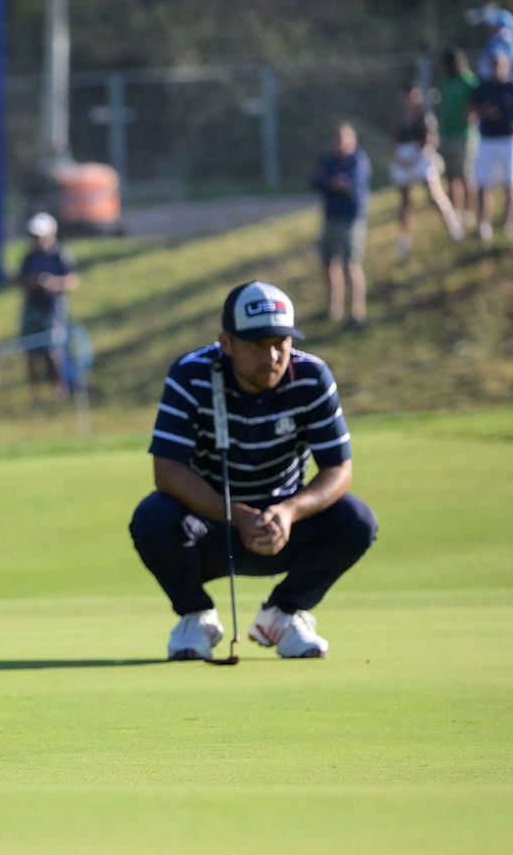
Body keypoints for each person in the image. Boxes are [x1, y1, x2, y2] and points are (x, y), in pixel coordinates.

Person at [130, 281, 377, 660]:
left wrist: (290, 511)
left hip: (284, 524)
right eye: (257, 345)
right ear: (226, 343)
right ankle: (196, 616)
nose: (272, 356)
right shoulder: (191, 374)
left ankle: (283, 614)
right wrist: (237, 515)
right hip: (210, 525)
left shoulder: (311, 376)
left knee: (356, 520)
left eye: (281, 343)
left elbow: (338, 469)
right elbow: (167, 470)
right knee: (152, 518)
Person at [469, 52, 513, 240]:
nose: (496, 68)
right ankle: (484, 225)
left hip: (509, 139)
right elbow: (472, 107)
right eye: (493, 64)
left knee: (511, 184)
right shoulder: (484, 87)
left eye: (499, 64)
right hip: (487, 139)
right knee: (483, 183)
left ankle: (509, 226)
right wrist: (483, 112)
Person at [389, 79, 465, 251]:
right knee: (405, 201)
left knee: (434, 194)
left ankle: (453, 226)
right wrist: (400, 158)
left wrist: (418, 155)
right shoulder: (398, 116)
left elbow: (431, 139)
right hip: (403, 158)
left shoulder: (424, 116)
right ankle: (404, 238)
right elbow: (393, 140)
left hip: (421, 157)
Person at [14, 212, 79, 403]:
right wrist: (33, 282)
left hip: (53, 309)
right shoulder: (29, 257)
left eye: (39, 235)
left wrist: (54, 284)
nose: (36, 239)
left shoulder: (60, 254)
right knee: (31, 353)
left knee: (54, 351)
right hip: (32, 308)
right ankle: (35, 395)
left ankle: (58, 390)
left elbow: (73, 280)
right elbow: (18, 280)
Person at [310, 124, 370, 325]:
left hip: (351, 220)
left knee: (351, 265)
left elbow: (350, 185)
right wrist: (332, 183)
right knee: (328, 264)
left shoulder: (358, 161)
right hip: (330, 218)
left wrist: (333, 183)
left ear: (353, 140)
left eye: (344, 139)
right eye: (337, 140)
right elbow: (316, 181)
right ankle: (333, 308)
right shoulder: (328, 160)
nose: (340, 144)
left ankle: (357, 312)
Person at [434, 46, 480, 228]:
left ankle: (470, 211)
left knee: (465, 175)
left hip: (464, 134)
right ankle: (456, 213)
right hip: (447, 133)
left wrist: (471, 113)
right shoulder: (446, 81)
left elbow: (476, 102)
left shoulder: (469, 80)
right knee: (451, 177)